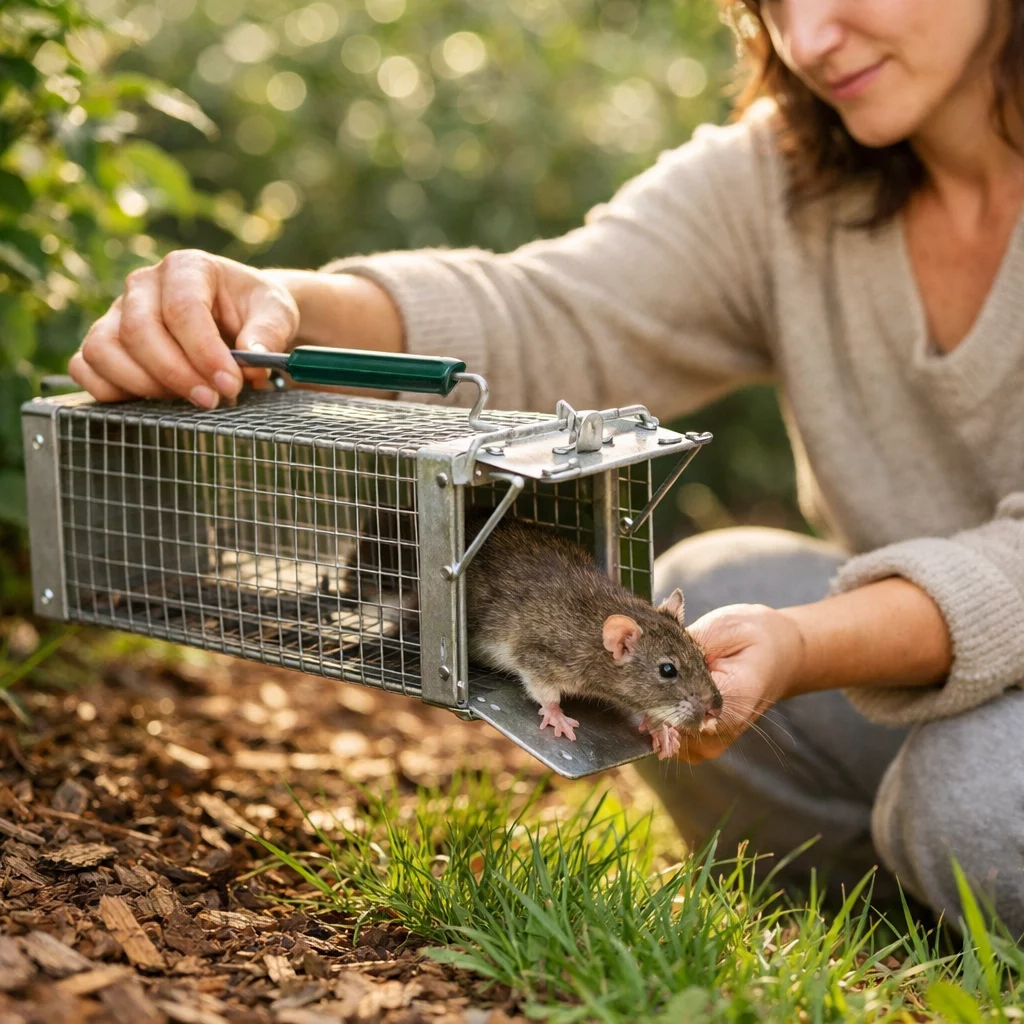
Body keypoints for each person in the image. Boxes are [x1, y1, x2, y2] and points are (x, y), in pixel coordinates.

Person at [68, 0, 1024, 934]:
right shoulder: (780, 173)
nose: (809, 35)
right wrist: (279, 302)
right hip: (947, 654)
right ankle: (903, 918)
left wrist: (812, 644)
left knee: (974, 802)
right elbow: (551, 310)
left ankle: (953, 866)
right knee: (709, 581)